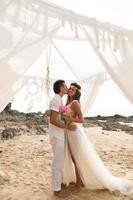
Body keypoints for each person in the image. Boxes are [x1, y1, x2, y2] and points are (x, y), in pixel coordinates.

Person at [63, 82, 133, 196]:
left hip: (76, 132)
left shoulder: (75, 102)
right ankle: (80, 182)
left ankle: (79, 184)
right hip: (69, 132)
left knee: (77, 158)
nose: (70, 90)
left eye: (73, 89)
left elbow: (81, 119)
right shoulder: (68, 103)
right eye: (70, 88)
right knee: (73, 158)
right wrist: (65, 119)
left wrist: (69, 118)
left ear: (76, 93)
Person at [49, 79, 76, 197]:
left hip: (59, 133)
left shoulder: (59, 99)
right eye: (65, 86)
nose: (67, 88)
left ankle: (58, 184)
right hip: (56, 134)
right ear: (60, 88)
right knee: (58, 162)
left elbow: (56, 116)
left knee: (60, 160)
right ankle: (56, 190)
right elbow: (53, 120)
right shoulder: (56, 99)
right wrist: (67, 127)